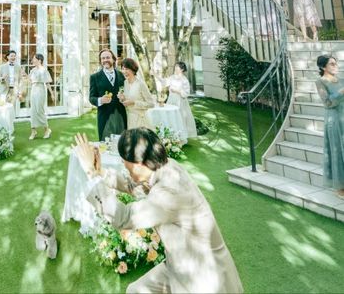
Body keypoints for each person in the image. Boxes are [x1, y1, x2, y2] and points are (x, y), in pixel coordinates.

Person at [74, 130, 243, 293]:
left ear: (139, 164)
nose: (124, 165)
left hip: (201, 277)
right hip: (178, 264)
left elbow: (122, 217)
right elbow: (135, 186)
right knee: (135, 291)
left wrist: (90, 173)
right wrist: (100, 172)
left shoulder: (168, 193)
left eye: (125, 162)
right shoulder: (164, 166)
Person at [315, 55, 344, 197]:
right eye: (332, 64)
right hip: (334, 120)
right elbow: (327, 103)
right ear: (323, 67)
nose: (335, 66)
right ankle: (340, 187)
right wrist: (341, 92)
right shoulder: (320, 82)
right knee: (337, 151)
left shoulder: (341, 80)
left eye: (335, 63)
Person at [89, 49, 127, 140]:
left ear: (113, 59)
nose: (105, 60)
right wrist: (100, 100)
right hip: (105, 116)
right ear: (100, 61)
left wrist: (124, 97)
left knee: (122, 142)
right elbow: (91, 98)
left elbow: (127, 93)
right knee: (105, 143)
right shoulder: (94, 77)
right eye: (103, 58)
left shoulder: (122, 75)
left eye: (107, 57)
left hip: (121, 115)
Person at [118, 58, 155, 130]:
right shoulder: (125, 83)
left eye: (127, 69)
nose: (124, 71)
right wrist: (122, 99)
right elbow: (127, 102)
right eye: (123, 69)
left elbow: (151, 104)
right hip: (130, 120)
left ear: (133, 69)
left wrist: (134, 102)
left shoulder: (140, 84)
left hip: (141, 121)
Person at [166, 62, 197, 139]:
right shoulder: (172, 77)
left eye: (177, 67)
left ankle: (180, 136)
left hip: (180, 102)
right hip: (171, 100)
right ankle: (170, 135)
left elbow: (186, 93)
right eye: (175, 66)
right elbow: (164, 83)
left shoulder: (184, 80)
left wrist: (177, 91)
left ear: (182, 69)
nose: (175, 68)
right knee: (170, 116)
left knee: (180, 118)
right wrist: (156, 75)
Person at [28, 53, 53, 140]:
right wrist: (25, 76)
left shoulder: (44, 70)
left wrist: (52, 94)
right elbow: (29, 81)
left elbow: (47, 83)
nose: (33, 60)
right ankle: (33, 131)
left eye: (34, 59)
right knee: (33, 111)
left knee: (39, 110)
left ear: (39, 60)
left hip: (40, 90)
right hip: (33, 90)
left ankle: (47, 130)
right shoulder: (32, 70)